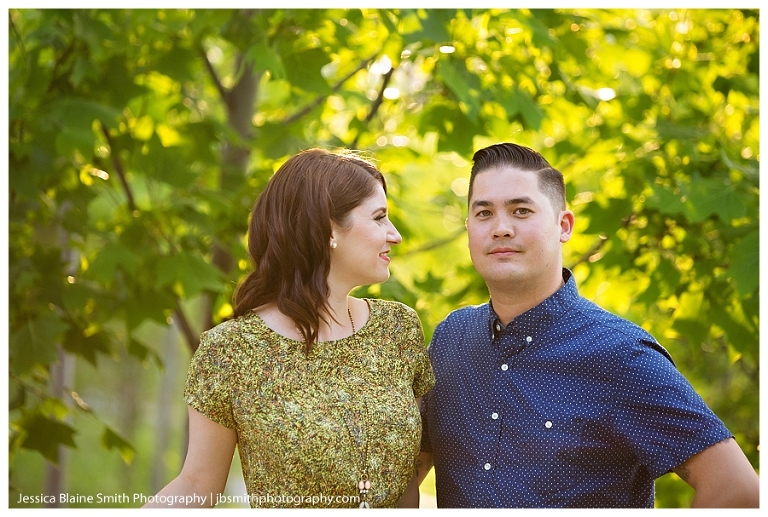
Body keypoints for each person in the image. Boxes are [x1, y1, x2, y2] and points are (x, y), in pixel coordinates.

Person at [417, 142, 759, 508]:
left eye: (521, 211)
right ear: (469, 226)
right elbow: (408, 465)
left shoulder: (620, 355)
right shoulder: (451, 339)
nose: (501, 228)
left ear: (563, 226)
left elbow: (737, 489)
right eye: (484, 213)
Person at [146, 148, 434, 508]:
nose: (395, 235)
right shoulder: (231, 351)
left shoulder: (398, 330)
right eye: (379, 218)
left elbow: (414, 466)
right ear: (328, 228)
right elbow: (197, 482)